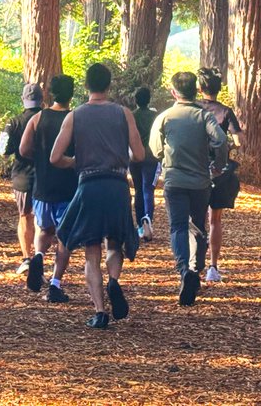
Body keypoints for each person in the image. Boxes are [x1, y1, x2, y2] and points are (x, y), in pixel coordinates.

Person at [52, 63, 144, 329]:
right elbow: (139, 155)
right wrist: (122, 157)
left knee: (91, 251)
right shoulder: (124, 113)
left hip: (89, 185)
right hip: (117, 185)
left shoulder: (75, 115)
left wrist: (75, 162)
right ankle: (114, 281)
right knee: (115, 243)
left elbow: (55, 157)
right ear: (109, 85)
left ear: (86, 85)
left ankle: (100, 312)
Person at [149, 71, 227, 307]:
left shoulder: (165, 117)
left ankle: (183, 270)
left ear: (174, 92)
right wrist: (218, 165)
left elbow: (155, 148)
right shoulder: (204, 116)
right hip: (200, 181)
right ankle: (196, 268)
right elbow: (221, 140)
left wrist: (165, 157)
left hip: (174, 180)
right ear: (196, 91)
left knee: (178, 226)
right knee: (197, 225)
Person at [19, 74, 78, 303]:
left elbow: (23, 149)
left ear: (50, 93)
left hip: (42, 185)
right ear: (71, 94)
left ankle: (38, 256)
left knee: (44, 230)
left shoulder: (38, 118)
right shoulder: (75, 119)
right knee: (64, 238)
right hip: (68, 187)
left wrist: (40, 157)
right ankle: (55, 284)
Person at [197, 67, 243, 283]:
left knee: (195, 220)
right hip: (219, 171)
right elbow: (239, 141)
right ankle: (213, 267)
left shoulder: (194, 109)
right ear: (218, 89)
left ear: (200, 88)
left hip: (196, 168)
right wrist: (227, 147)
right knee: (215, 219)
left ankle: (193, 264)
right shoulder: (225, 111)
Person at [1, 81, 45, 273]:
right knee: (41, 219)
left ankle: (27, 258)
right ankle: (39, 256)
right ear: (43, 99)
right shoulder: (49, 120)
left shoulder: (13, 122)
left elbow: (2, 150)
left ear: (23, 99)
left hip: (22, 177)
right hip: (46, 176)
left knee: (24, 216)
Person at [129, 86, 160, 242]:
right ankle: (148, 219)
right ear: (149, 100)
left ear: (135, 100)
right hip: (151, 156)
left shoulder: (131, 116)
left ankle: (140, 225)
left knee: (138, 189)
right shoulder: (156, 116)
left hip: (135, 156)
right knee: (148, 189)